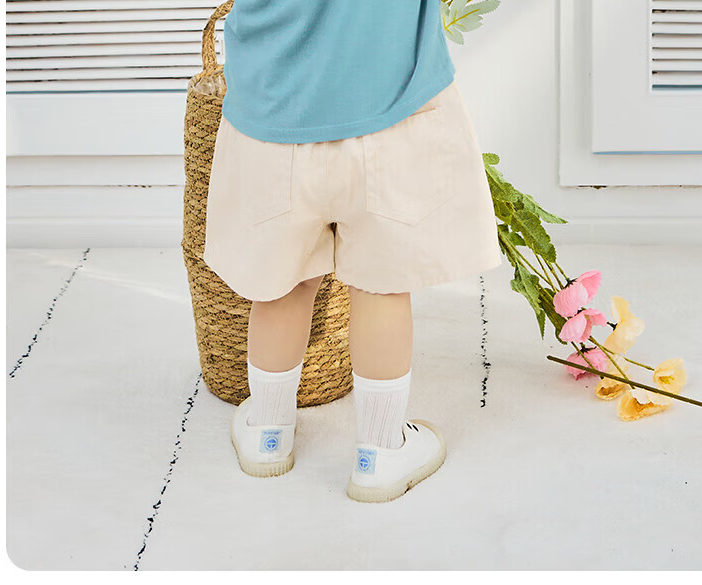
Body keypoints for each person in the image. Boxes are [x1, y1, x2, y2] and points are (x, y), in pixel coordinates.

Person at [203, 0, 501, 503]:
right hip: (391, 114)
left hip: (272, 119)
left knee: (283, 284)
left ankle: (267, 434)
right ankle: (380, 454)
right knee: (382, 286)